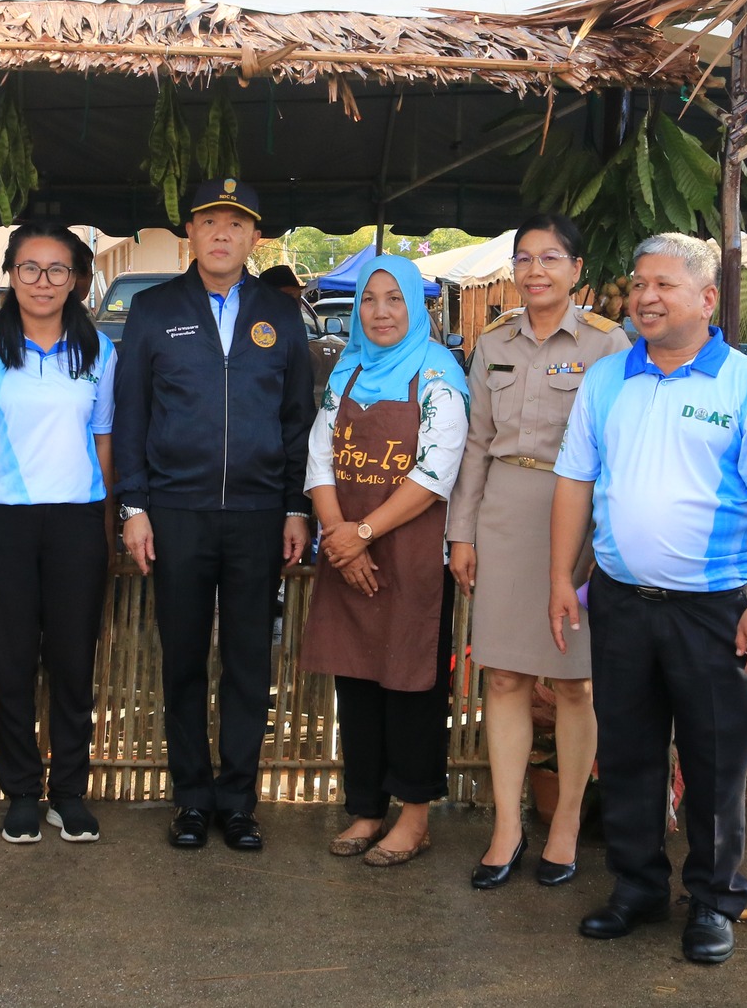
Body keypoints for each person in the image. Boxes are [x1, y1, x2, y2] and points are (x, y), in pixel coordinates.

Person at [547, 231, 747, 964]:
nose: (646, 297)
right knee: (627, 751)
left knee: (716, 757)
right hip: (621, 599)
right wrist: (561, 576)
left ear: (708, 298)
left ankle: (714, 899)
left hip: (714, 608)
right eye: (638, 284)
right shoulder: (606, 380)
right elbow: (575, 481)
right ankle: (637, 887)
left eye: (664, 284)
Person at [113, 178, 314, 852]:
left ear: (255, 237)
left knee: (249, 661)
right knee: (183, 661)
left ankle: (239, 802)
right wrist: (134, 505)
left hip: (258, 514)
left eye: (236, 223)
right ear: (190, 233)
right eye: (209, 222)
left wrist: (296, 504)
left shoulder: (280, 312)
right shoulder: (153, 309)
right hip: (177, 511)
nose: (222, 234)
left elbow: (297, 418)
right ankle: (192, 800)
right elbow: (132, 413)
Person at [445, 213, 628, 890]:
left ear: (576, 270)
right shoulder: (494, 341)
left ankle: (567, 823)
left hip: (576, 517)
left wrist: (603, 543)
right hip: (503, 511)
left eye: (551, 258)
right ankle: (507, 826)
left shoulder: (608, 344)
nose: (535, 270)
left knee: (575, 682)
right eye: (524, 258)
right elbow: (474, 443)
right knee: (503, 678)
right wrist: (461, 531)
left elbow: (621, 449)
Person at [300, 254, 469, 866]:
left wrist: (363, 533)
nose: (380, 312)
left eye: (394, 299)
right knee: (358, 683)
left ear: (416, 307)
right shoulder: (346, 370)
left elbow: (436, 471)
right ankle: (366, 809)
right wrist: (339, 537)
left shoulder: (438, 374)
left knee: (412, 684)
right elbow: (320, 459)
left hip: (410, 554)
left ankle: (415, 816)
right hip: (349, 550)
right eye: (369, 300)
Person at [0, 222, 117, 845]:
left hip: (77, 519)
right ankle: (22, 793)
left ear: (76, 279)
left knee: (74, 662)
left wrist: (103, 520)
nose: (43, 281)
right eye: (30, 268)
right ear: (10, 273)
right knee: (10, 661)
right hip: (1, 520)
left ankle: (69, 793)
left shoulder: (99, 350)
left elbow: (103, 439)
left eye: (58, 270)